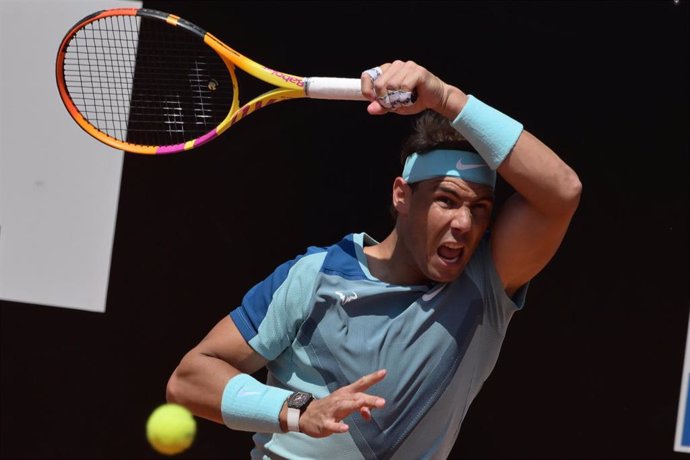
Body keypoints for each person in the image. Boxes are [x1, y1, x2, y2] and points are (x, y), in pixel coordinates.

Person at [166, 60, 582, 459]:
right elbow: (189, 379)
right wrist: (300, 410)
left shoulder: (484, 285)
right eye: (447, 200)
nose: (463, 222)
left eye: (480, 209)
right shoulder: (314, 277)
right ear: (402, 194)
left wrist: (445, 97)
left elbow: (562, 191)